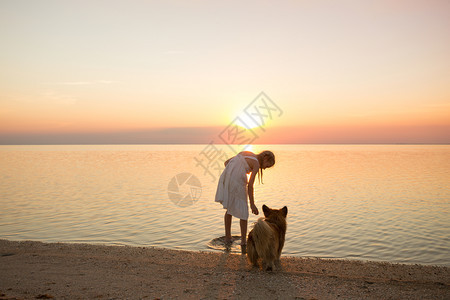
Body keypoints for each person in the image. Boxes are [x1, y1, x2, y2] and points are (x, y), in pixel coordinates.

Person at [215, 150, 275, 251]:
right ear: (265, 158)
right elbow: (250, 185)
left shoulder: (246, 152)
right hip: (237, 180)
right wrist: (252, 204)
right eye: (267, 166)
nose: (264, 168)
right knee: (244, 211)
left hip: (227, 177)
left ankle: (228, 237)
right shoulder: (256, 163)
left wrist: (233, 173)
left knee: (229, 208)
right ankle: (243, 241)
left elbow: (226, 163)